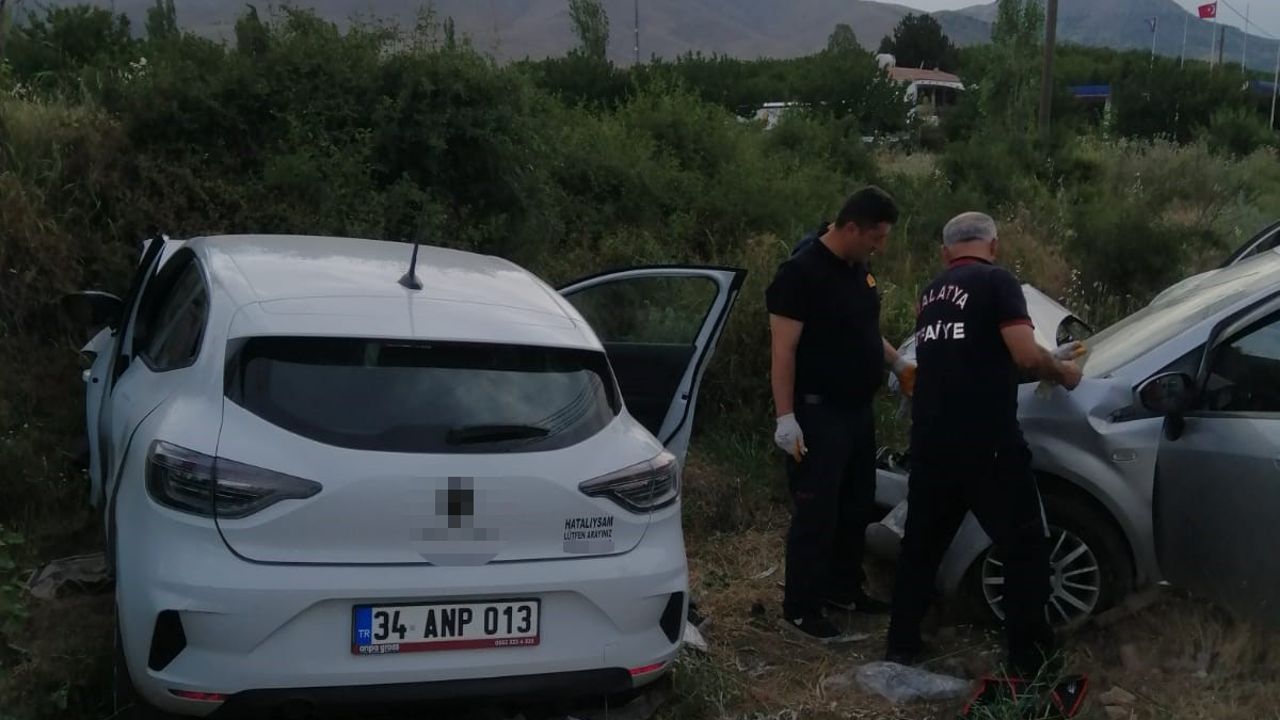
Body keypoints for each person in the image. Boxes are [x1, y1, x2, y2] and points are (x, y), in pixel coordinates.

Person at [884, 212, 1082, 676]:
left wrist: (1034, 358)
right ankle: (1028, 662)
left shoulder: (932, 293)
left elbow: (969, 356)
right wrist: (1062, 372)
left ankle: (901, 644)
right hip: (987, 441)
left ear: (946, 252)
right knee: (1024, 548)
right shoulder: (998, 281)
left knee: (921, 546)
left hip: (931, 440)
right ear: (993, 245)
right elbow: (1020, 351)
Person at [765, 186, 917, 643]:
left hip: (856, 410)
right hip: (818, 413)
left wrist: (897, 363)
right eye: (876, 237)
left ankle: (843, 589)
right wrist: (785, 417)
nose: (880, 246)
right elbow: (783, 352)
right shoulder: (800, 273)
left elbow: (865, 331)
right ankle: (801, 609)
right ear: (851, 228)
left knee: (856, 504)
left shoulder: (857, 268)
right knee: (817, 512)